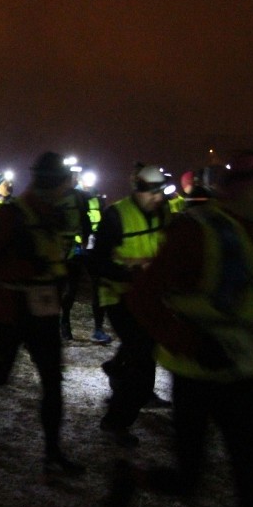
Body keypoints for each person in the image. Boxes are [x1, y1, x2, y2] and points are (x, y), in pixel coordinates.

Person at [102, 152, 253, 507]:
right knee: (188, 479)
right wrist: (189, 342)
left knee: (250, 479)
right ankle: (130, 476)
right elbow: (143, 298)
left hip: (239, 369)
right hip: (194, 372)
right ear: (234, 189)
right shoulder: (196, 231)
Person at [0, 152, 83, 475]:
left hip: (45, 309)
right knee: (0, 374)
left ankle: (52, 452)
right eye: (62, 182)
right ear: (49, 183)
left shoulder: (54, 214)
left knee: (53, 382)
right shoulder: (12, 215)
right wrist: (25, 269)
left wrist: (60, 275)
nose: (67, 188)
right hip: (14, 310)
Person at [94, 163, 172, 448]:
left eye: (161, 192)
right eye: (153, 192)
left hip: (147, 295)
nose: (159, 198)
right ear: (138, 190)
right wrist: (132, 272)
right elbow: (98, 262)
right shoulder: (116, 215)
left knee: (143, 349)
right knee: (142, 361)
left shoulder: (162, 213)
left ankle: (117, 368)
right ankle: (116, 420)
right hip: (118, 296)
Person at [56, 169, 93, 341]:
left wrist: (85, 239)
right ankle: (53, 323)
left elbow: (85, 219)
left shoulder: (78, 197)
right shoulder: (52, 196)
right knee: (55, 289)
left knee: (70, 291)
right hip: (54, 252)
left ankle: (65, 322)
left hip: (74, 251)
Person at [78, 170, 112, 344]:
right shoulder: (74, 197)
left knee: (98, 286)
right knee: (68, 291)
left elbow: (101, 219)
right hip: (75, 249)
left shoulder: (96, 196)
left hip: (92, 248)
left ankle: (98, 329)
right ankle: (62, 326)